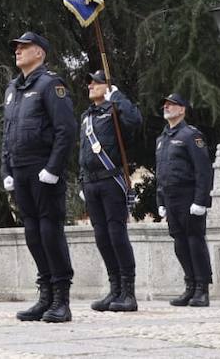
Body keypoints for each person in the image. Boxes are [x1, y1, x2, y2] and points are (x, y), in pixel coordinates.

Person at [1, 31, 78, 323]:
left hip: (43, 170)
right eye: (16, 47)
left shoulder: (50, 85)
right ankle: (45, 296)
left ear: (40, 53)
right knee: (32, 233)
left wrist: (54, 168)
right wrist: (5, 170)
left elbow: (65, 129)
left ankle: (61, 299)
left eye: (24, 47)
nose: (18, 51)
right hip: (20, 170)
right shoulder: (12, 89)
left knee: (49, 232)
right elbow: (6, 134)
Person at [78, 69, 142, 312]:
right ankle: (114, 289)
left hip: (111, 179)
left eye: (97, 83)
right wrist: (82, 179)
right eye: (90, 83)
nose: (91, 86)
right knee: (102, 237)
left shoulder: (115, 110)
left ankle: (128, 292)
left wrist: (118, 97)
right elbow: (82, 150)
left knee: (117, 235)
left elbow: (135, 121)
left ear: (108, 87)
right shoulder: (87, 116)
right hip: (91, 182)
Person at [155, 92, 213, 307]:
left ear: (182, 109)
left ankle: (202, 288)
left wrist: (200, 200)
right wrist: (160, 201)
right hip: (171, 198)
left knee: (195, 242)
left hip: (188, 196)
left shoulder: (191, 135)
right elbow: (160, 173)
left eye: (172, 105)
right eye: (165, 104)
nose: (167, 107)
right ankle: (190, 286)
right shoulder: (162, 140)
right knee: (180, 243)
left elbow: (203, 171)